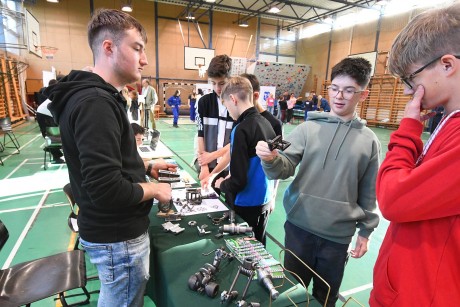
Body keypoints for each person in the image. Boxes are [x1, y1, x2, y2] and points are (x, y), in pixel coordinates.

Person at [44, 9, 175, 306]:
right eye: (137, 48)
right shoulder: (95, 103)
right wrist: (155, 189)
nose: (144, 59)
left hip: (108, 233)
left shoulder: (91, 95)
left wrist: (146, 166)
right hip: (117, 237)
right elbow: (105, 188)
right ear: (109, 48)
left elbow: (105, 159)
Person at [256, 57, 380, 306]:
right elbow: (283, 168)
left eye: (348, 90)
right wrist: (270, 159)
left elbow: (368, 192)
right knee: (292, 294)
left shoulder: (369, 142)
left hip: (337, 238)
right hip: (299, 228)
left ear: (363, 94)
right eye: (334, 88)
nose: (339, 96)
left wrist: (365, 232)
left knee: (326, 298)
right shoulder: (306, 129)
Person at [370, 3, 460, 306]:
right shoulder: (448, 121)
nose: (409, 92)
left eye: (412, 78)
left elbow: (394, 198)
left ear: (447, 65)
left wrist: (408, 130)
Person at [214, 76, 276, 245]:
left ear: (233, 99)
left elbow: (239, 181)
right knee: (259, 246)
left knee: (242, 250)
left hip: (245, 205)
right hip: (264, 201)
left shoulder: (241, 129)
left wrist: (221, 184)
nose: (228, 111)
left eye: (226, 106)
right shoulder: (267, 123)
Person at [195, 54, 234, 190]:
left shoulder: (236, 105)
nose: (217, 88)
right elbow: (200, 135)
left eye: (222, 83)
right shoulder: (204, 102)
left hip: (228, 166)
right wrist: (204, 166)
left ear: (230, 80)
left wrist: (212, 156)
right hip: (207, 163)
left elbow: (235, 141)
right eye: (213, 83)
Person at [36, 78, 65, 164]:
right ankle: (56, 156)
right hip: (43, 113)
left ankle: (53, 150)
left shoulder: (61, 93)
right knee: (52, 134)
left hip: (47, 113)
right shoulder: (59, 94)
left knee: (54, 134)